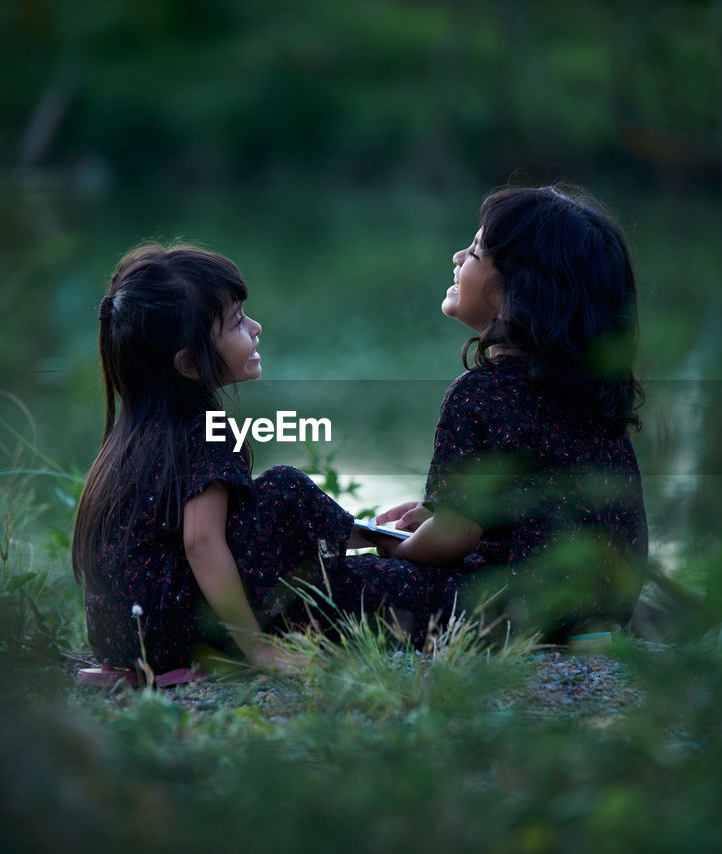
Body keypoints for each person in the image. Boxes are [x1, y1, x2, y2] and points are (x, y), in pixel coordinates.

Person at [360, 184, 649, 643]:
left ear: (518, 288)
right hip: (601, 609)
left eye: (474, 252)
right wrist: (433, 513)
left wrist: (392, 548)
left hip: (515, 614)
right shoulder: (596, 393)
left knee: (347, 581)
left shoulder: (479, 393)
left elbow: (454, 537)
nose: (457, 257)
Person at [71, 243, 357, 675]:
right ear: (188, 364)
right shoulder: (207, 428)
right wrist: (257, 650)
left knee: (267, 508)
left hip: (120, 639)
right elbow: (201, 543)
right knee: (284, 487)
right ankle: (392, 546)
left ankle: (380, 540)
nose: (257, 328)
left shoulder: (135, 433)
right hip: (171, 633)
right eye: (238, 322)